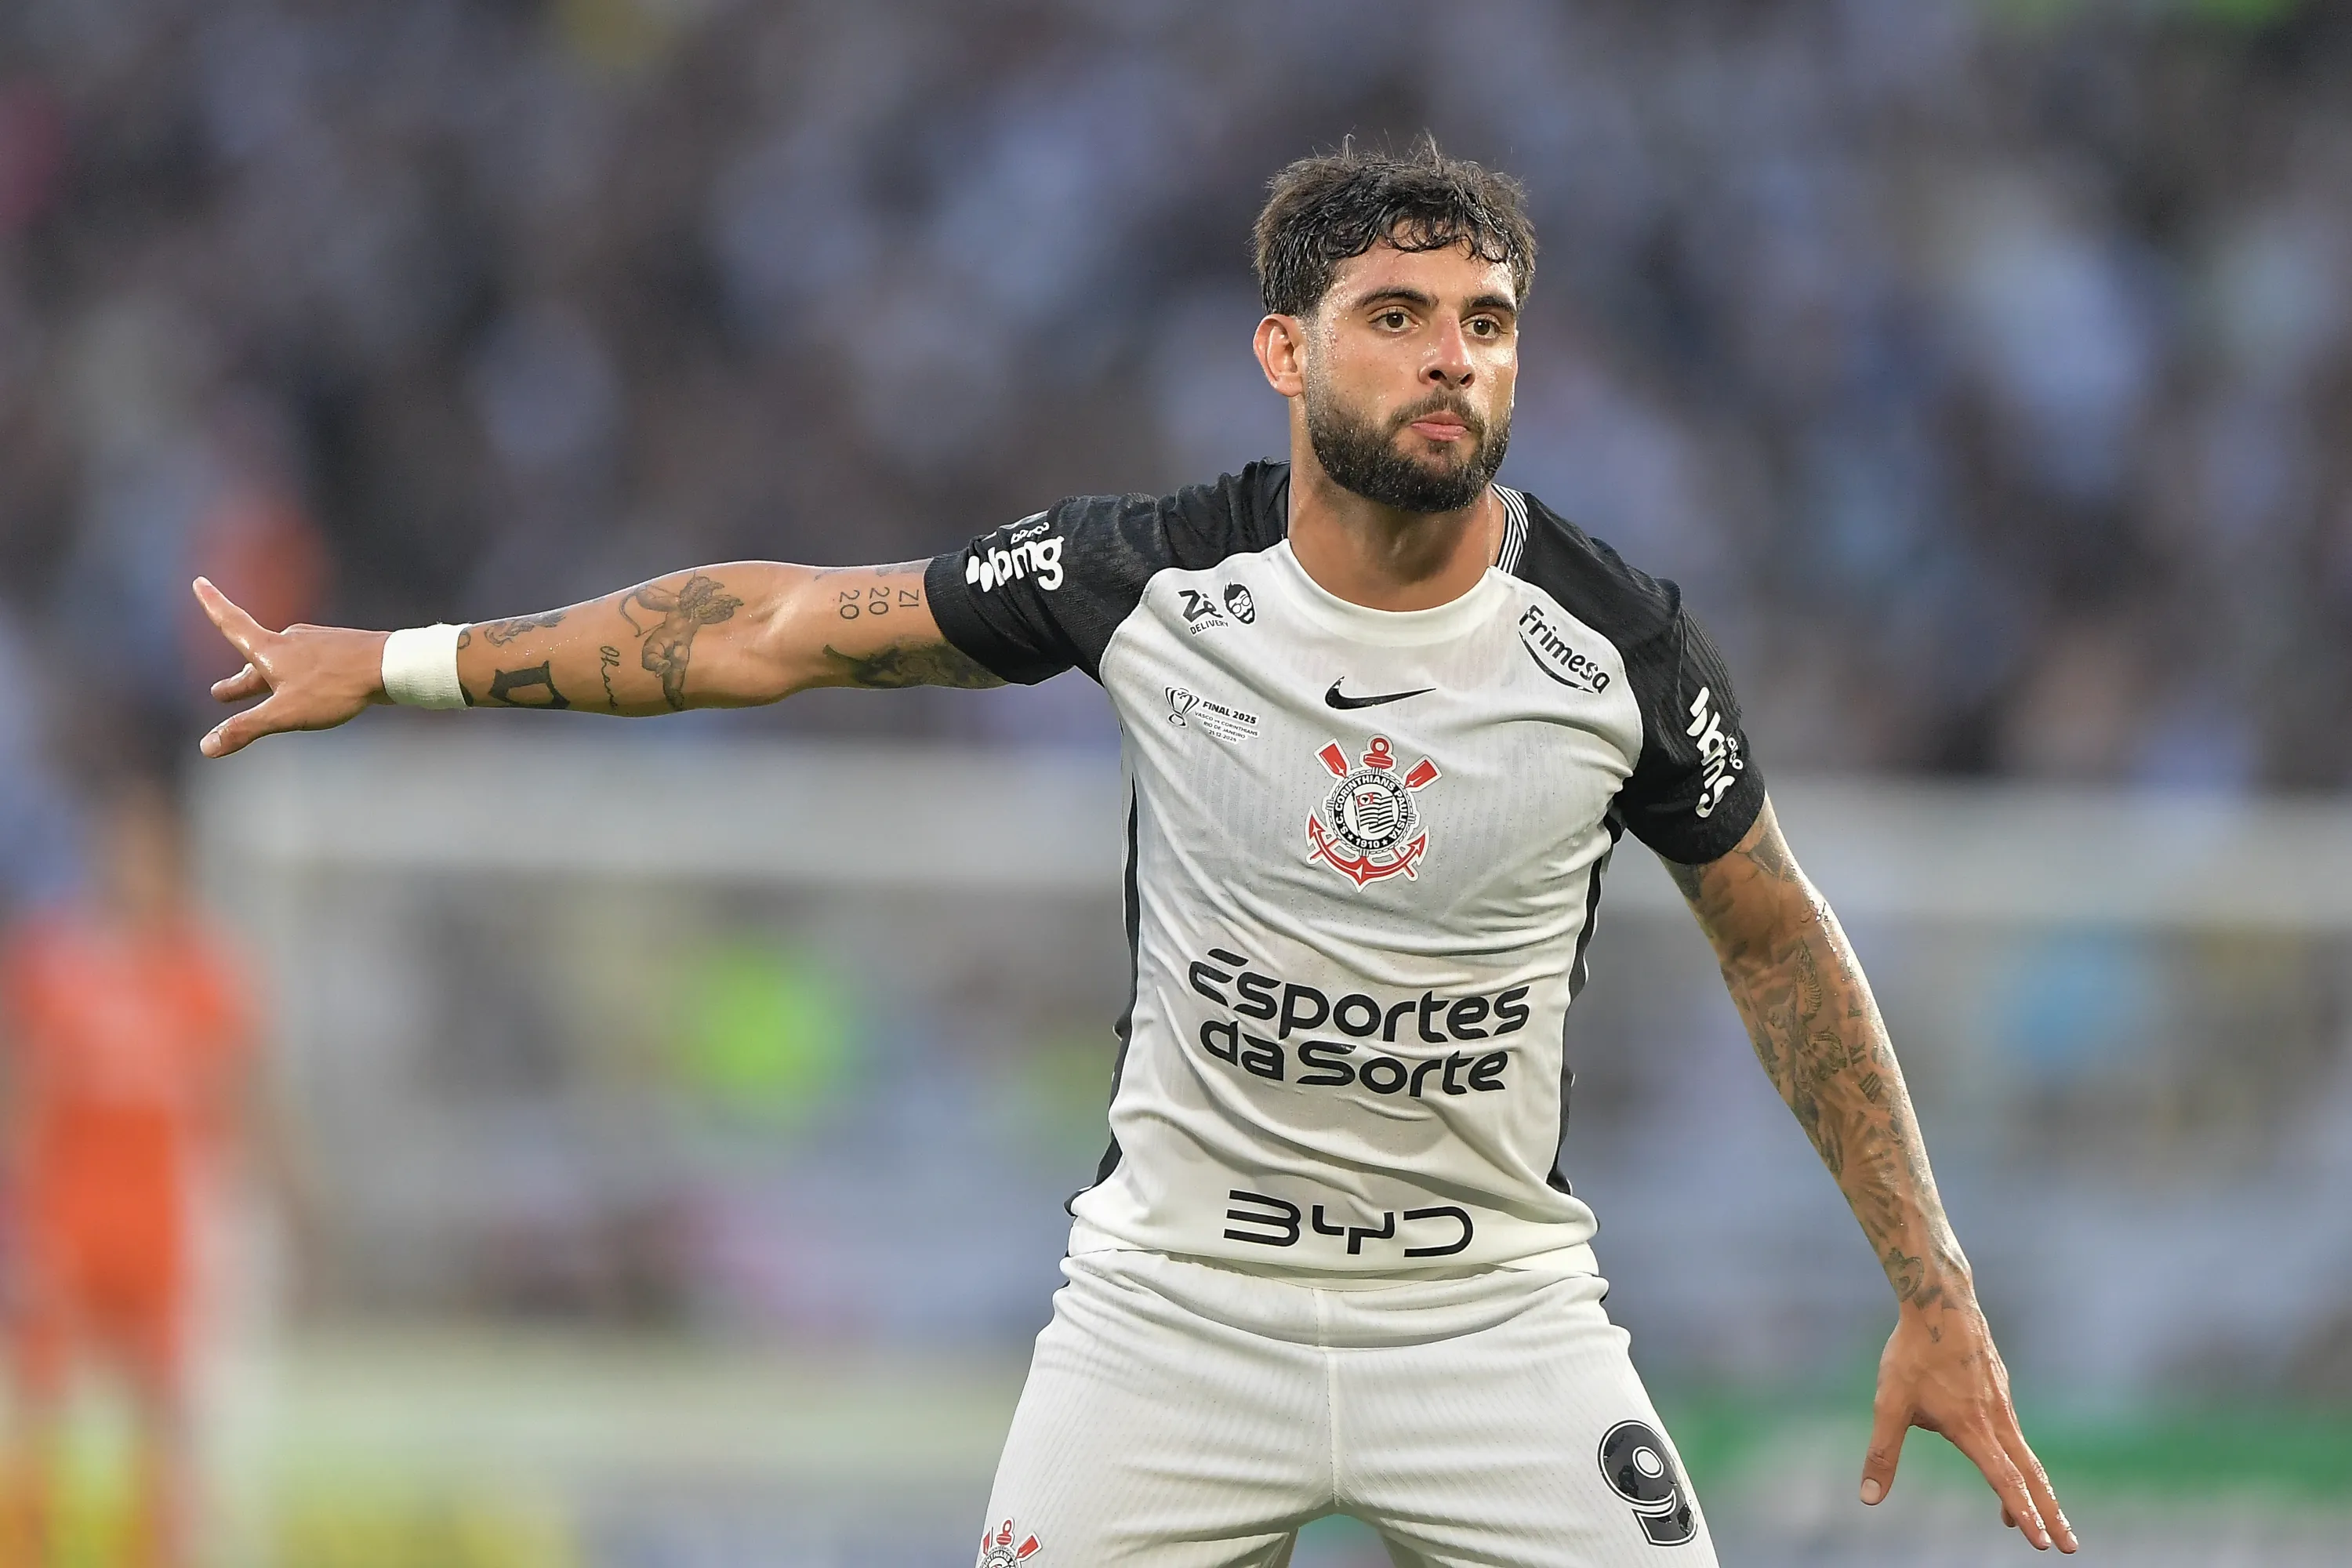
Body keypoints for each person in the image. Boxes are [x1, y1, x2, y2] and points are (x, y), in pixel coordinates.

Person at [191, 140, 2074, 1564]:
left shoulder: (1616, 647)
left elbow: (1773, 938)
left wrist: (1932, 1282)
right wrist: (405, 662)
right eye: (1397, 319)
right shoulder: (1152, 575)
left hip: (1488, 1310)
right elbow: (777, 625)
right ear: (1281, 347)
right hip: (1175, 1310)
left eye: (1484, 326)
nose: (1450, 364)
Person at [0, 780, 257, 1568]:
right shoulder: (55, 961)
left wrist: (238, 1210)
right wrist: (21, 1215)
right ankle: (28, 1546)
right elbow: (26, 1090)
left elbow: (230, 1099)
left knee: (164, 1402)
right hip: (70, 1211)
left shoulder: (202, 972)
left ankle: (153, 1550)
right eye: (120, 849)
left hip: (160, 1221)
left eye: (147, 851)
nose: (132, 866)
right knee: (43, 1399)